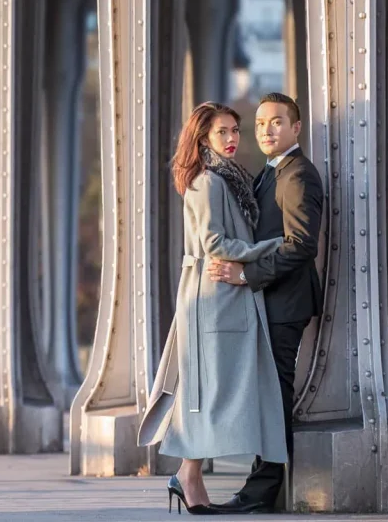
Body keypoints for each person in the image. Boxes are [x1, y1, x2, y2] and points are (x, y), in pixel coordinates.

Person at [138, 102, 287, 515]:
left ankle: (189, 475)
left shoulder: (229, 178)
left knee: (212, 392)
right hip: (212, 298)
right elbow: (215, 245)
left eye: (235, 130)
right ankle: (188, 474)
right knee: (207, 393)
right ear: (203, 138)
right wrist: (273, 247)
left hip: (225, 295)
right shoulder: (208, 182)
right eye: (222, 132)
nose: (232, 138)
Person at [205, 92, 324, 514]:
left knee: (274, 396)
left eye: (276, 122)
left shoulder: (297, 175)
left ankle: (262, 491)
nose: (266, 130)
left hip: (285, 303)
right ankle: (259, 486)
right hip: (269, 301)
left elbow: (301, 246)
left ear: (295, 128)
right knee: (266, 395)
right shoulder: (268, 173)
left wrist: (245, 274)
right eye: (259, 124)